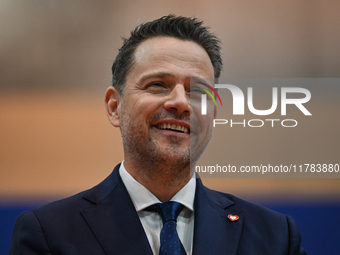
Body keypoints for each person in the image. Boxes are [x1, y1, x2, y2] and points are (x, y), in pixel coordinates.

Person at [10, 15, 306, 255]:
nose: (180, 102)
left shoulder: (277, 237)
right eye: (157, 85)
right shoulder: (48, 234)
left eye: (198, 91)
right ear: (115, 107)